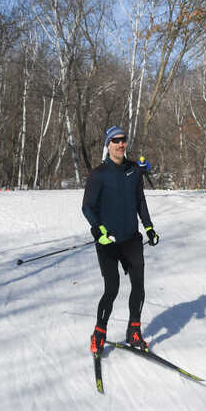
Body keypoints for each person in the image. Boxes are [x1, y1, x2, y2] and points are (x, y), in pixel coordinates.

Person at [81, 126, 159, 354]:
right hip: (108, 242)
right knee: (111, 289)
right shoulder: (99, 174)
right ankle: (99, 333)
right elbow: (87, 207)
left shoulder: (134, 170)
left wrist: (149, 227)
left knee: (139, 286)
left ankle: (134, 331)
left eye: (123, 140)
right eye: (115, 140)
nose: (120, 144)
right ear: (108, 144)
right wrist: (97, 229)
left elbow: (140, 201)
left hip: (131, 239)